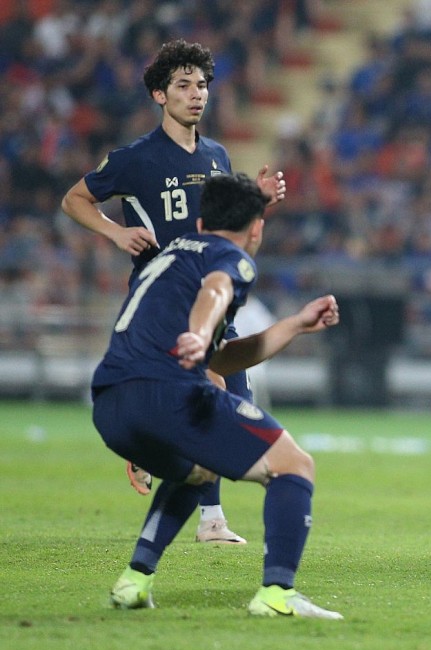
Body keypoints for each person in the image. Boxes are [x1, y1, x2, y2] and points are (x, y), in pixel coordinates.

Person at [61, 39, 286, 543]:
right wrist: (116, 233)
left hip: (212, 292)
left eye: (202, 84)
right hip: (163, 300)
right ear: (160, 95)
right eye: (183, 85)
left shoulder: (217, 156)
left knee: (230, 388)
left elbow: (229, 222)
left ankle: (182, 487)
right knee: (212, 391)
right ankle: (204, 511)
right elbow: (74, 198)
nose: (196, 94)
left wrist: (261, 200)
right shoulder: (134, 159)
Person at [93, 172, 343, 618]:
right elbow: (217, 289)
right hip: (167, 393)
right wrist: (201, 329)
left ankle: (135, 580)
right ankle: (277, 594)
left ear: (202, 222)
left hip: (110, 404)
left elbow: (225, 359)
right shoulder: (232, 259)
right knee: (295, 465)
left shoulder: (174, 252)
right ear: (257, 230)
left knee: (201, 469)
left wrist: (295, 324)